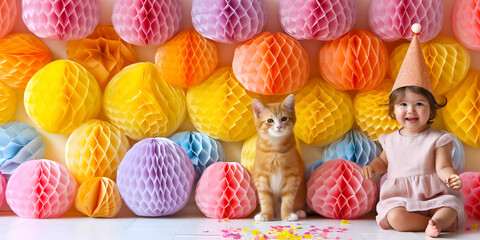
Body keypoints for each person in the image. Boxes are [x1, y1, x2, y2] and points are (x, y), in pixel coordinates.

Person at [361, 23, 466, 238]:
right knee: (395, 218)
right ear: (393, 109)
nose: (411, 111)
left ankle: (437, 219)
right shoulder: (390, 140)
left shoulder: (437, 139)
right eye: (403, 105)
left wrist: (451, 176)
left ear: (430, 109)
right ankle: (432, 224)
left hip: (433, 196)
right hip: (400, 199)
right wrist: (373, 166)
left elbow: (443, 166)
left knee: (449, 207)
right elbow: (384, 162)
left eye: (419, 104)